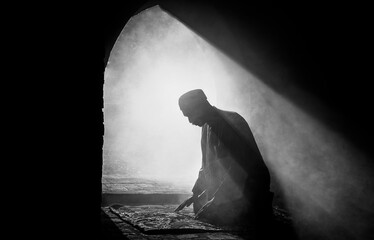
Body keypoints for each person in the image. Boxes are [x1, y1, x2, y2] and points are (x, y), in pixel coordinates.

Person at [175, 89, 273, 226]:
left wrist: (216, 201)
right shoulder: (206, 127)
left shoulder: (232, 122)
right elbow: (206, 166)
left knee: (218, 218)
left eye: (190, 115)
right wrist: (196, 192)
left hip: (250, 188)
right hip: (228, 188)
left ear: (201, 106)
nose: (190, 121)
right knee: (201, 210)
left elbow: (238, 170)